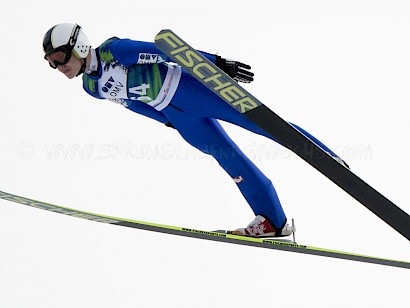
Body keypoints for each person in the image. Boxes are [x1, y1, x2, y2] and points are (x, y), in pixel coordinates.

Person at [43, 23, 347, 238]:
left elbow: (165, 52)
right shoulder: (91, 87)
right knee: (230, 161)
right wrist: (166, 121)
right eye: (51, 64)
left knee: (261, 123)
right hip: (179, 116)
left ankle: (325, 156)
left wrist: (216, 64)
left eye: (59, 58)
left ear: (79, 46)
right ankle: (273, 220)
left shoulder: (116, 51)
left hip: (192, 90)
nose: (58, 68)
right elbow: (131, 103)